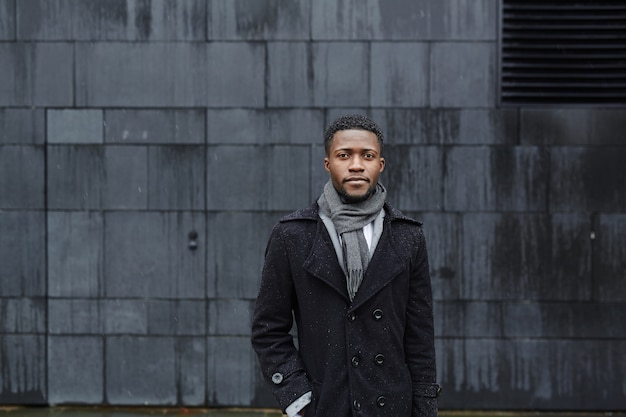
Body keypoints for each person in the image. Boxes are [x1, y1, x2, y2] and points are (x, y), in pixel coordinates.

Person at [251, 114, 440, 417]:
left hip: (392, 406)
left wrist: (425, 407)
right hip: (326, 405)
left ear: (380, 164)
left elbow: (419, 337)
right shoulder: (293, 235)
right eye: (344, 155)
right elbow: (268, 330)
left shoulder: (408, 236)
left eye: (367, 155)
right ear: (328, 164)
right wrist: (298, 399)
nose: (356, 164)